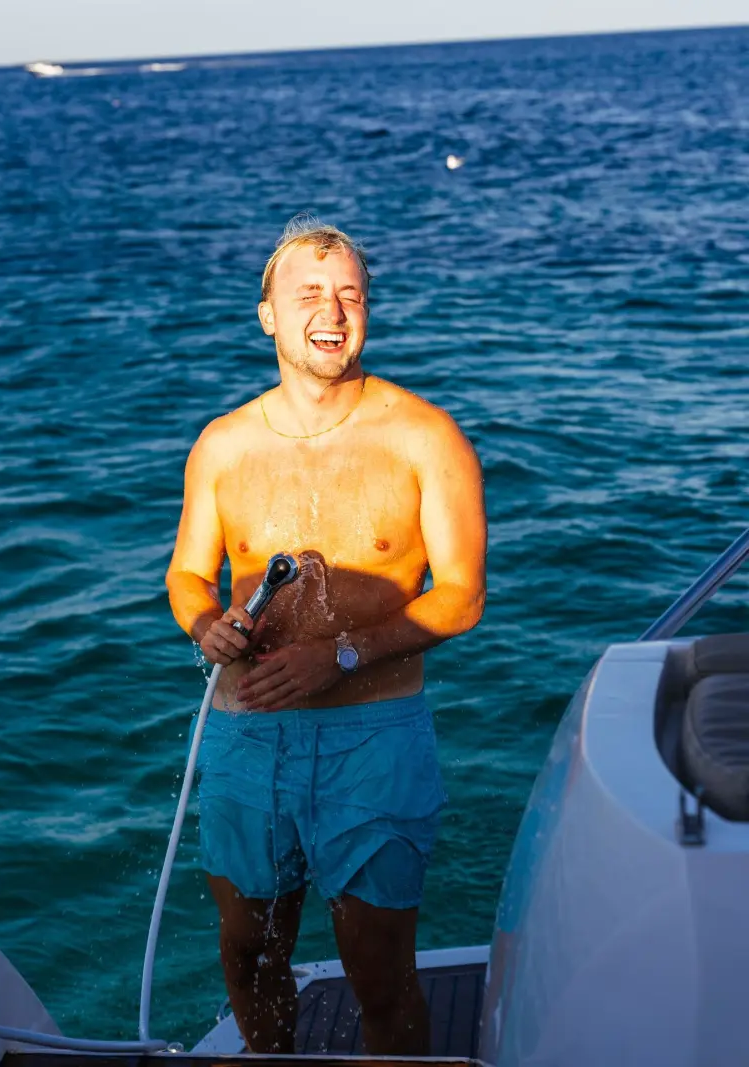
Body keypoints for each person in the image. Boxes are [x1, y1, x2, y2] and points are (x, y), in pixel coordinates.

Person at [165, 216, 487, 1056]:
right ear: (268, 315)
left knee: (379, 972)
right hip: (247, 735)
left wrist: (340, 655)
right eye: (309, 294)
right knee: (247, 955)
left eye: (350, 294)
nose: (332, 311)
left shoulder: (425, 437)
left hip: (373, 740)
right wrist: (207, 624)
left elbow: (461, 597)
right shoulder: (223, 445)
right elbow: (188, 575)